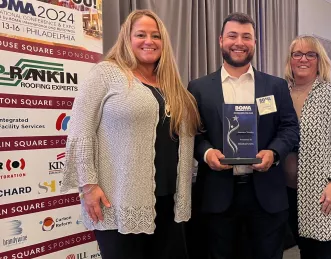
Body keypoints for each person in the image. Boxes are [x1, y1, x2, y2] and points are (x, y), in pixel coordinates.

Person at [60, 9, 201, 259]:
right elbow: (80, 130)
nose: (149, 41)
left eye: (156, 36)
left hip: (169, 200)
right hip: (119, 200)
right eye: (141, 34)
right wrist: (88, 186)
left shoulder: (171, 84)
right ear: (127, 38)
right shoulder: (106, 74)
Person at [188, 12, 299, 259]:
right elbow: (192, 133)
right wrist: (206, 153)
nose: (239, 42)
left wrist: (273, 152)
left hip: (266, 194)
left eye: (246, 36)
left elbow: (290, 128)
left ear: (255, 43)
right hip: (218, 195)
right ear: (220, 40)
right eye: (232, 36)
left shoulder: (275, 86)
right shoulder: (199, 87)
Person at [283, 35, 331, 259]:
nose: (303, 59)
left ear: (319, 60)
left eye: (310, 54)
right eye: (297, 54)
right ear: (290, 60)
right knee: (299, 248)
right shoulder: (280, 93)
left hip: (319, 190)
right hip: (282, 191)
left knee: (320, 252)